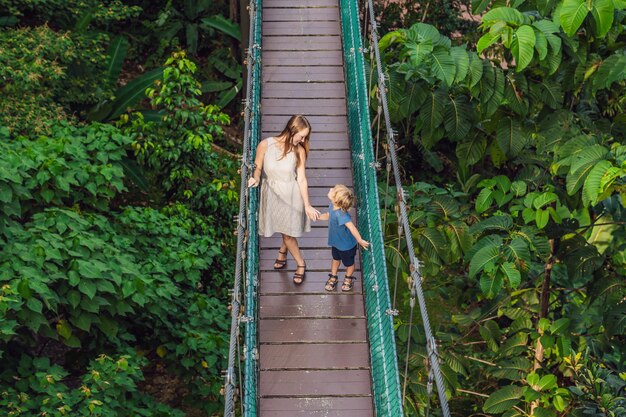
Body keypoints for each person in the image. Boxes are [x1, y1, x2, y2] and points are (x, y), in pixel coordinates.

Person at [248, 115, 320, 284]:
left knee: (288, 234)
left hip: (291, 194)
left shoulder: (299, 151)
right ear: (292, 130)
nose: (303, 140)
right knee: (284, 228)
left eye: (305, 137)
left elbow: (301, 179)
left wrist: (307, 205)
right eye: (301, 136)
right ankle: (282, 251)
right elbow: (258, 167)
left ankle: (301, 264)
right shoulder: (265, 145)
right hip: (272, 194)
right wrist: (256, 178)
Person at [316, 184, 369, 292]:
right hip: (336, 242)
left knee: (349, 264)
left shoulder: (342, 215)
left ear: (336, 200)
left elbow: (352, 228)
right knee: (335, 259)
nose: (331, 189)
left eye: (333, 191)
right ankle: (333, 276)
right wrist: (318, 217)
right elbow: (328, 215)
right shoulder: (332, 205)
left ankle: (348, 278)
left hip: (346, 246)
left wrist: (359, 240)